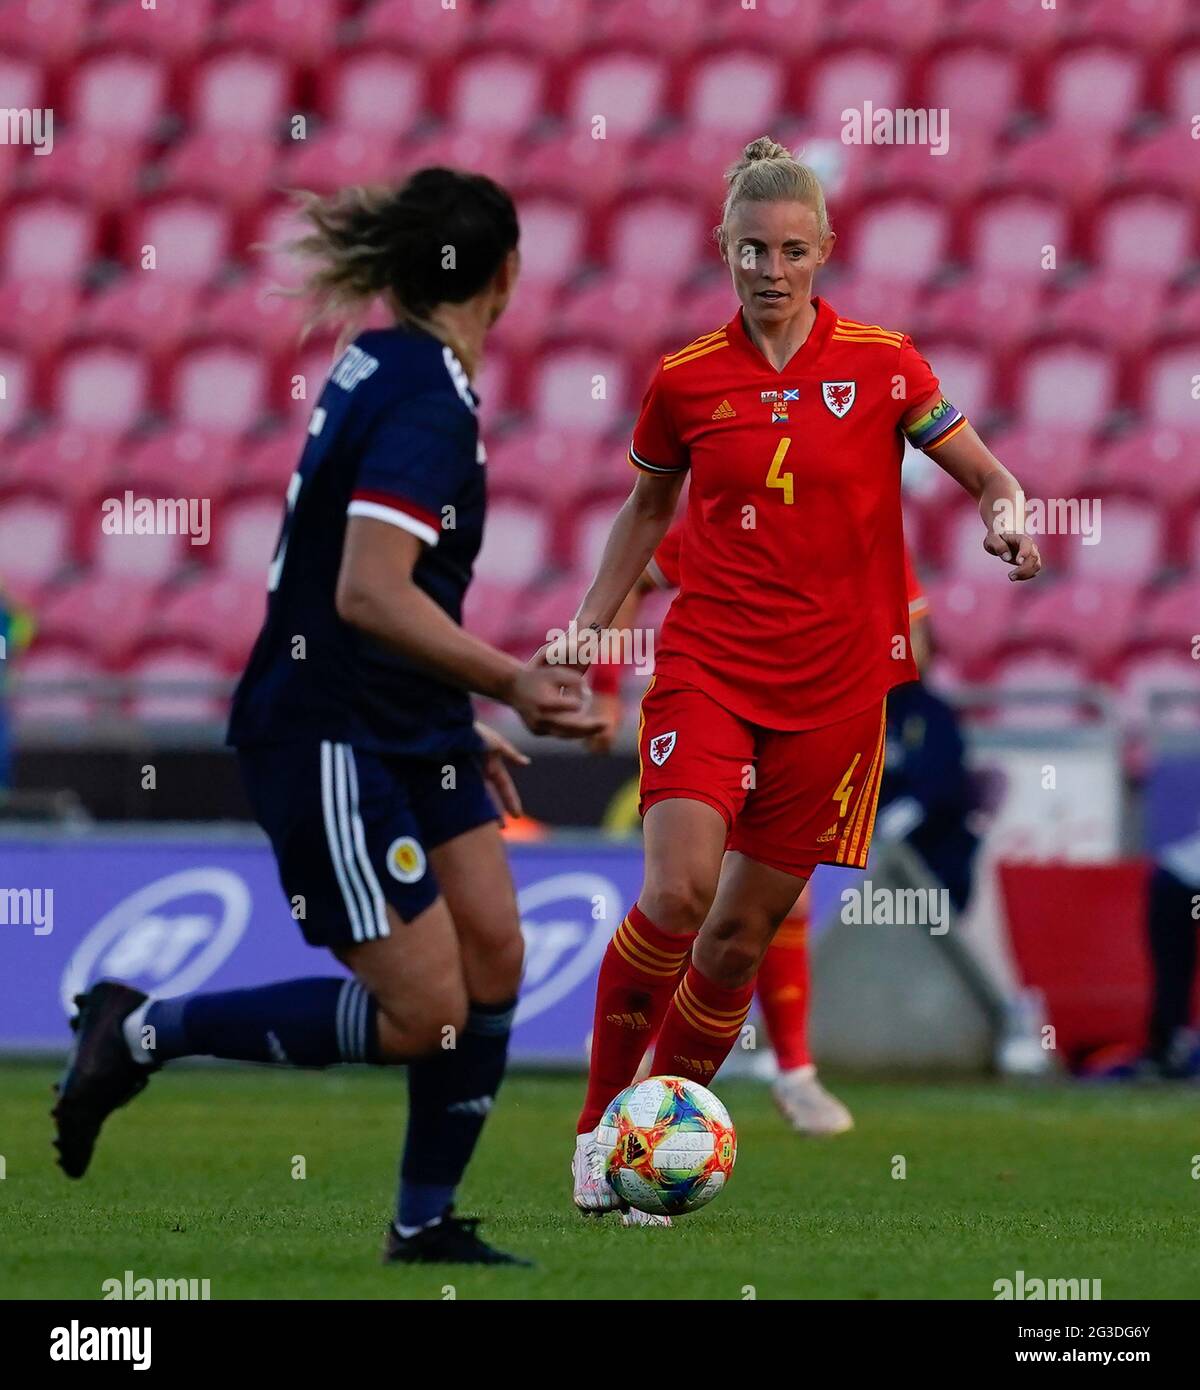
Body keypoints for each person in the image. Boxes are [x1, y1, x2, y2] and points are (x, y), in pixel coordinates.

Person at [52, 168, 603, 1266]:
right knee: (425, 1015)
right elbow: (366, 590)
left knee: (496, 946)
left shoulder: (393, 366)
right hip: (330, 734)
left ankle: (424, 1221)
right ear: (506, 274)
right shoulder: (423, 400)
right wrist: (510, 682)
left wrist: (451, 712)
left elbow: (368, 598)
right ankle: (143, 1028)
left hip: (403, 720)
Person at [536, 137, 1041, 1218]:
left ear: (826, 251)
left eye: (793, 250)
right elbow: (644, 511)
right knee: (677, 893)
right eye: (752, 248)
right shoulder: (683, 381)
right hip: (711, 663)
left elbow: (982, 468)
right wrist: (590, 627)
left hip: (839, 690)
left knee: (738, 934)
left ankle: (655, 1131)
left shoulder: (885, 363)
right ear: (723, 247)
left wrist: (1006, 509)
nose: (771, 268)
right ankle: (594, 1130)